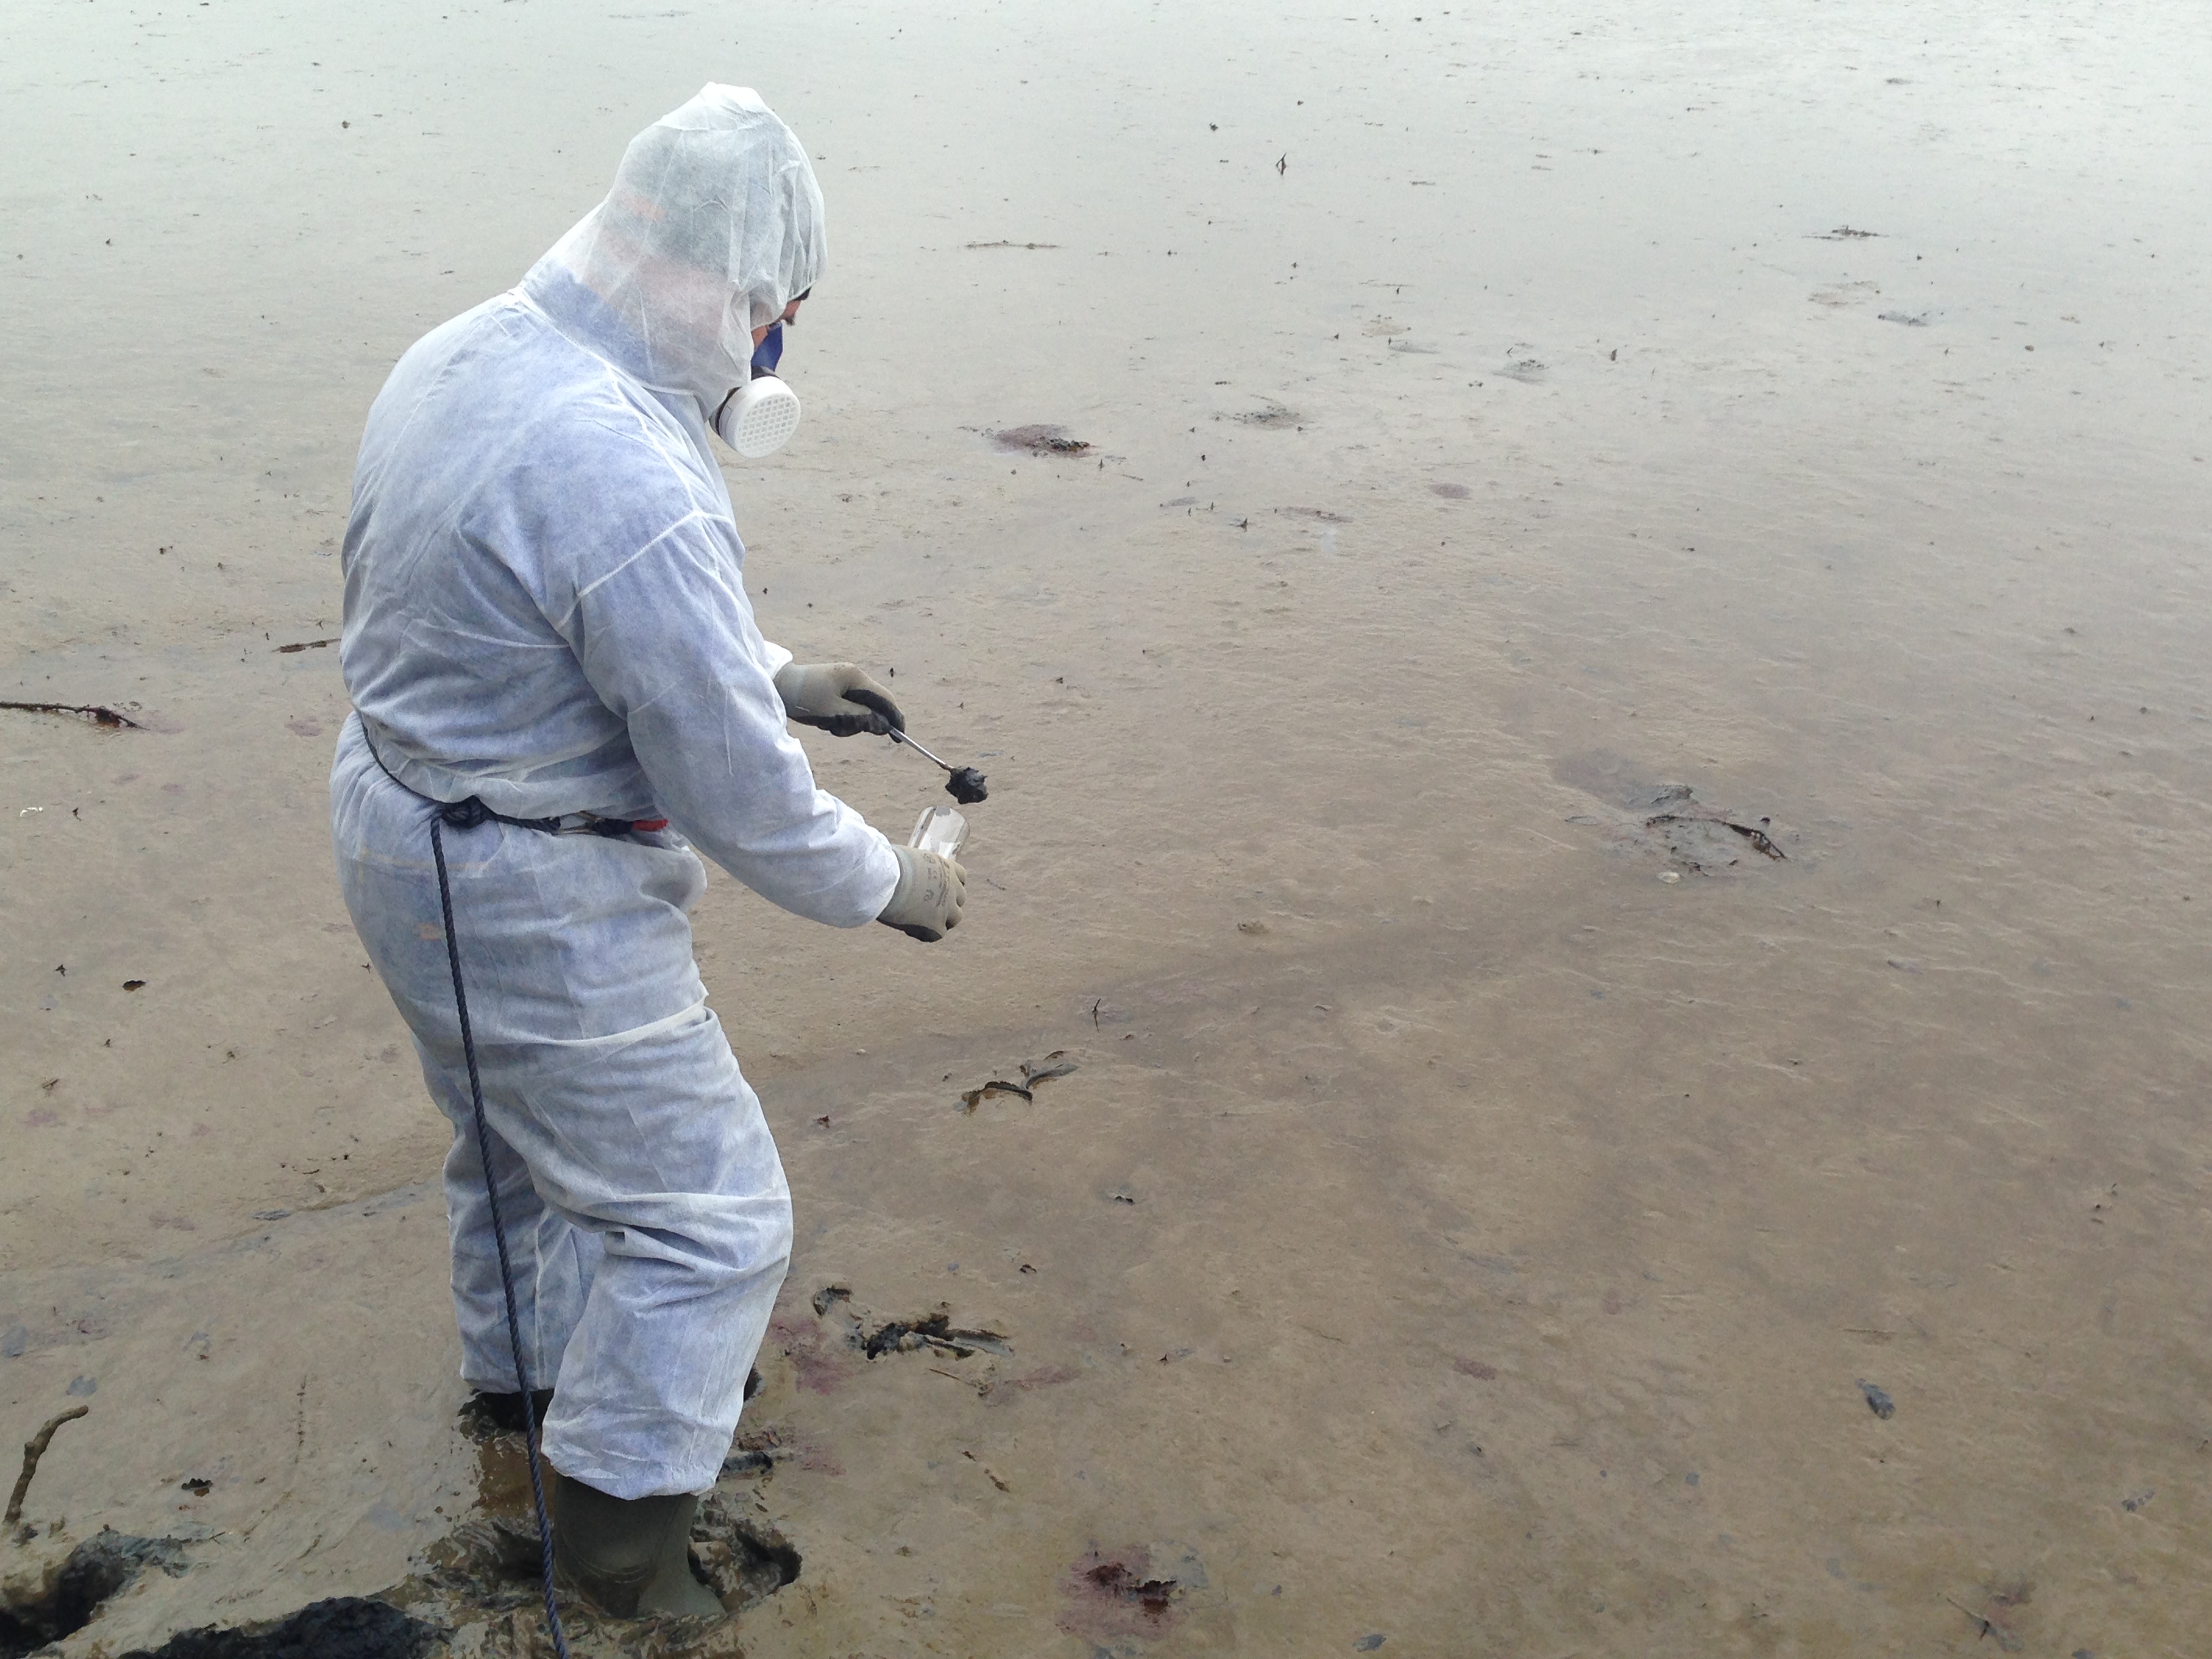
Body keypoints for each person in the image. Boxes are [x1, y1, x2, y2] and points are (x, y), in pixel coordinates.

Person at [328, 85, 965, 1618]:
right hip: (528, 893)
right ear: (735, 289)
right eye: (778, 312)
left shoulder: (469, 350)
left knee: (517, 1158)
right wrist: (897, 884)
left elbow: (565, 615)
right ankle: (615, 1561)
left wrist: (780, 666)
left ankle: (523, 1409)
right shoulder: (633, 473)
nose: (773, 347)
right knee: (708, 1219)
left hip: (398, 826)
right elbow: (739, 796)